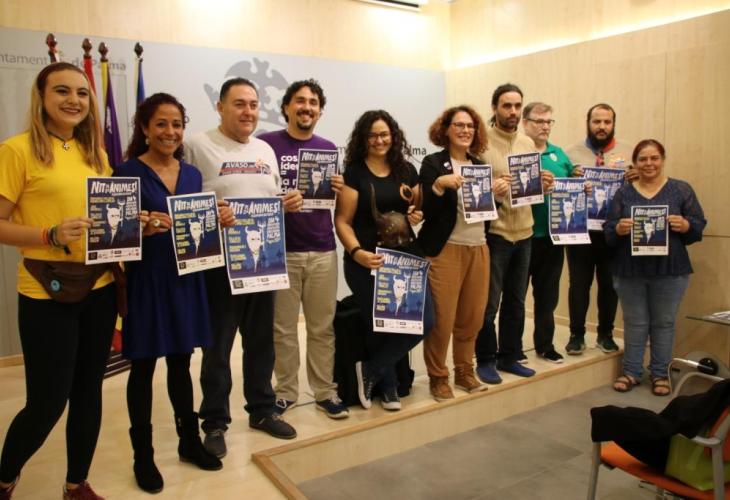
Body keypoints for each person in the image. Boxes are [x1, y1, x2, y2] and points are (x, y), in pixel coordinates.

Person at [0, 62, 117, 500]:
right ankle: (4, 478)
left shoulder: (96, 154)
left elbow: (107, 216)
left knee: (88, 392)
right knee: (47, 401)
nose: (74, 100)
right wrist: (48, 234)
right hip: (46, 293)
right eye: (62, 91)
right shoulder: (16, 151)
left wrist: (136, 222)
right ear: (42, 97)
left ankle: (76, 484)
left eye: (82, 93)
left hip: (99, 288)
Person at [115, 93, 234, 493]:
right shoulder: (126, 172)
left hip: (186, 279)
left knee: (181, 363)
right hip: (147, 282)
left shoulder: (192, 175)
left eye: (177, 124)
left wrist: (218, 219)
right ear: (145, 128)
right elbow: (114, 236)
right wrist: (141, 227)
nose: (170, 132)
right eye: (161, 124)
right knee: (143, 367)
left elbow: (196, 228)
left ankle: (188, 442)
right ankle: (143, 455)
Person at [184, 78, 303, 458]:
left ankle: (262, 410)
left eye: (253, 104)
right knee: (218, 348)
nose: (248, 111)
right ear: (220, 107)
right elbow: (183, 203)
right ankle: (215, 422)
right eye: (239, 104)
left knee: (261, 343)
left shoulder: (265, 149)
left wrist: (287, 202)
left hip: (263, 261)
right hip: (219, 266)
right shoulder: (197, 146)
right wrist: (210, 213)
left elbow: (269, 198)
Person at [258, 79, 348, 419]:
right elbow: (256, 195)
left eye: (313, 102)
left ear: (320, 111)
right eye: (300, 100)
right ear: (286, 107)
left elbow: (335, 203)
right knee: (282, 329)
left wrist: (339, 186)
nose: (306, 107)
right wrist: (279, 203)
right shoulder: (266, 145)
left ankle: (325, 391)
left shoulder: (328, 148)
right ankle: (286, 392)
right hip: (281, 252)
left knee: (322, 327)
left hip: (322, 249)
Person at [334, 109, 432, 411]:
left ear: (394, 136)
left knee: (426, 321)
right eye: (373, 135)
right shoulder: (354, 173)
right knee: (381, 326)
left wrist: (417, 214)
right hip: (367, 261)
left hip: (406, 260)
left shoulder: (407, 170)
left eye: (384, 134)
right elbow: (342, 221)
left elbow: (418, 207)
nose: (379, 140)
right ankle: (389, 388)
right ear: (363, 139)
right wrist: (357, 253)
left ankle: (371, 368)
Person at [418, 105, 507, 401]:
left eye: (470, 126)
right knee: (442, 320)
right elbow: (425, 207)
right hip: (445, 250)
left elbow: (486, 212)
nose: (465, 130)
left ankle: (465, 370)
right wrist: (438, 186)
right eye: (458, 125)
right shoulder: (433, 163)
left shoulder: (479, 166)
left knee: (472, 317)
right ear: (446, 130)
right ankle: (438, 376)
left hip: (478, 248)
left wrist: (497, 196)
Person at [604, 139, 706, 395]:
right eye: (643, 159)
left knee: (664, 323)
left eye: (654, 158)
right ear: (635, 163)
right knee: (634, 322)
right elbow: (609, 230)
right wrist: (618, 228)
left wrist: (686, 225)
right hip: (630, 269)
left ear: (663, 160)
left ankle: (660, 374)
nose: (649, 164)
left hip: (670, 269)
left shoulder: (681, 189)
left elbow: (698, 225)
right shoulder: (624, 193)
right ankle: (631, 372)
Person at [474, 84, 555, 385]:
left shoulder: (527, 143)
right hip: (495, 234)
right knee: (489, 304)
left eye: (517, 106)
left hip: (524, 233)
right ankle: (485, 359)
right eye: (506, 106)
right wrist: (492, 190)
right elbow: (474, 194)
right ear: (494, 108)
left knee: (517, 302)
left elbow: (530, 191)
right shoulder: (481, 144)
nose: (513, 111)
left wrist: (543, 186)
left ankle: (509, 356)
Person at [564, 103, 635, 356]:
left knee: (609, 284)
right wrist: (571, 179)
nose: (602, 126)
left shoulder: (629, 152)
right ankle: (576, 335)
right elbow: (561, 190)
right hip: (580, 230)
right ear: (588, 123)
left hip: (613, 232)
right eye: (597, 121)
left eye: (607, 121)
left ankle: (606, 334)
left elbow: (641, 187)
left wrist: (634, 177)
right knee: (578, 285)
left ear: (613, 123)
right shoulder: (570, 154)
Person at [522, 102, 573, 364]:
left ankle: (545, 345)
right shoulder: (518, 153)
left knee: (547, 296)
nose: (544, 126)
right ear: (525, 123)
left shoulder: (559, 154)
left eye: (548, 121)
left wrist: (581, 184)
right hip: (522, 237)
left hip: (553, 238)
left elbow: (572, 185)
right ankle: (511, 349)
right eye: (539, 121)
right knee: (516, 297)